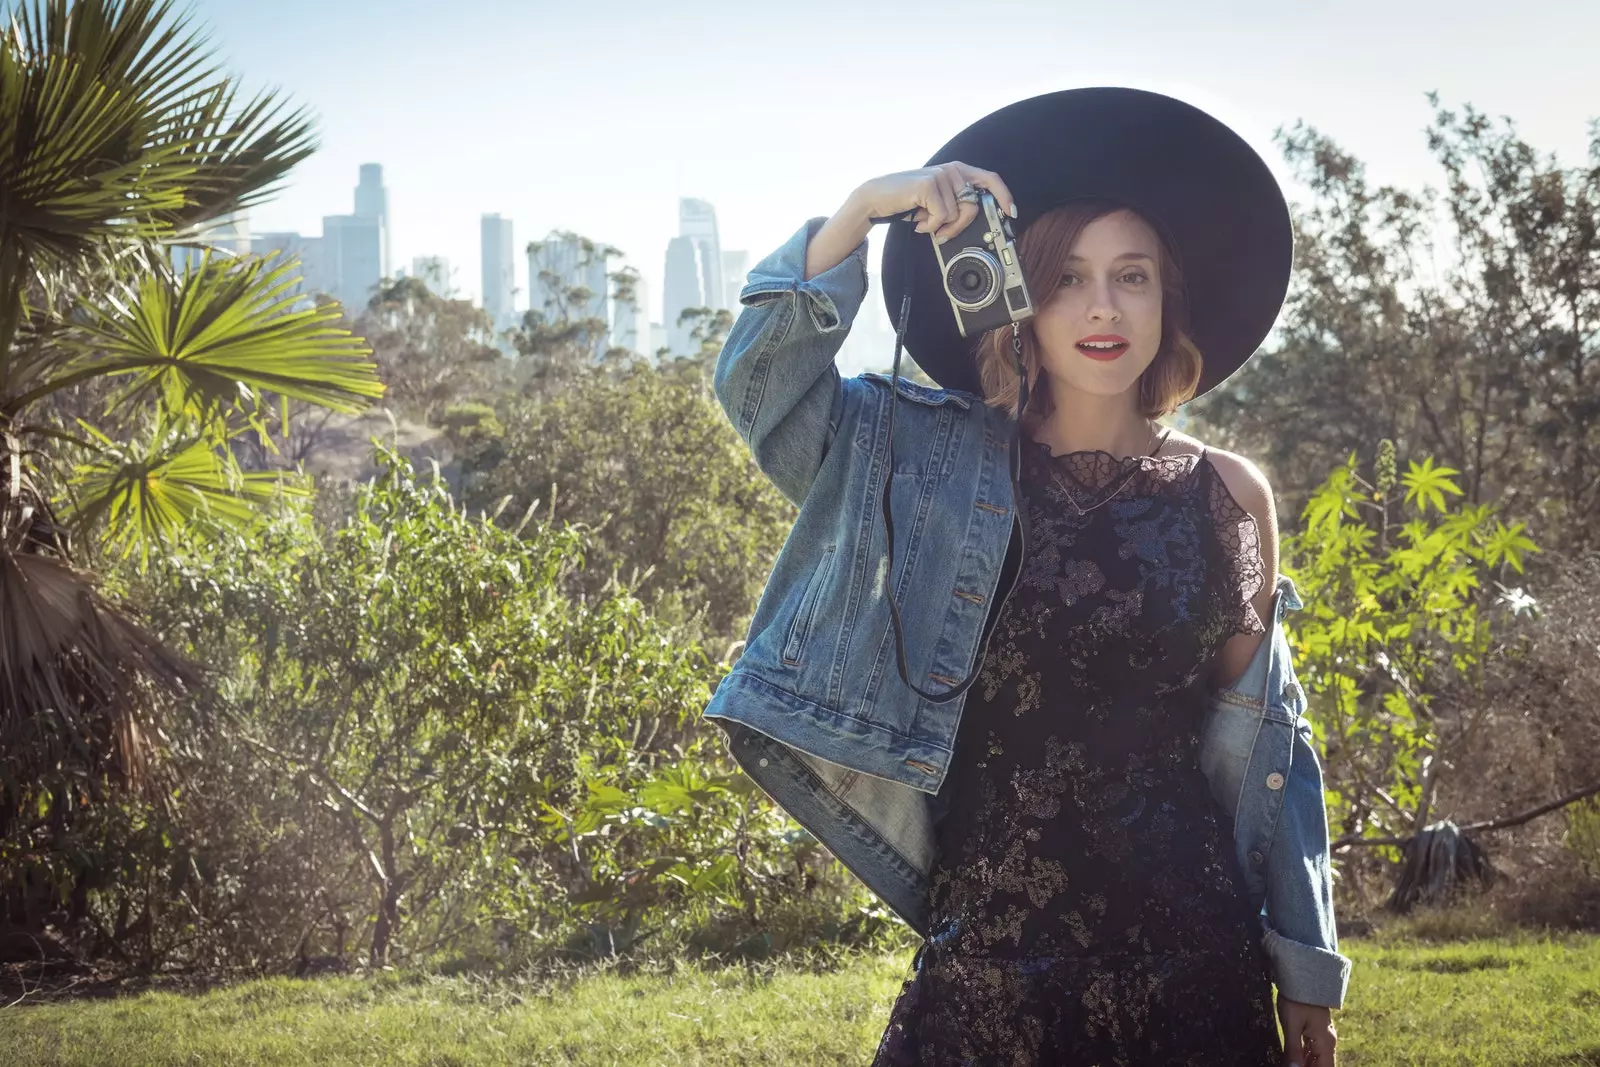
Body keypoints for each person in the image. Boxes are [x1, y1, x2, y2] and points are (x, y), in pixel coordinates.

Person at [704, 88, 1347, 1066]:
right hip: (989, 951)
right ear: (1020, 301)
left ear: (1165, 297)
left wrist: (1304, 960)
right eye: (1067, 278)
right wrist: (862, 208)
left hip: (1191, 953)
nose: (1101, 306)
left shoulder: (1229, 493)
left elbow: (1271, 738)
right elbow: (760, 391)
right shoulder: (926, 466)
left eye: (1130, 275)